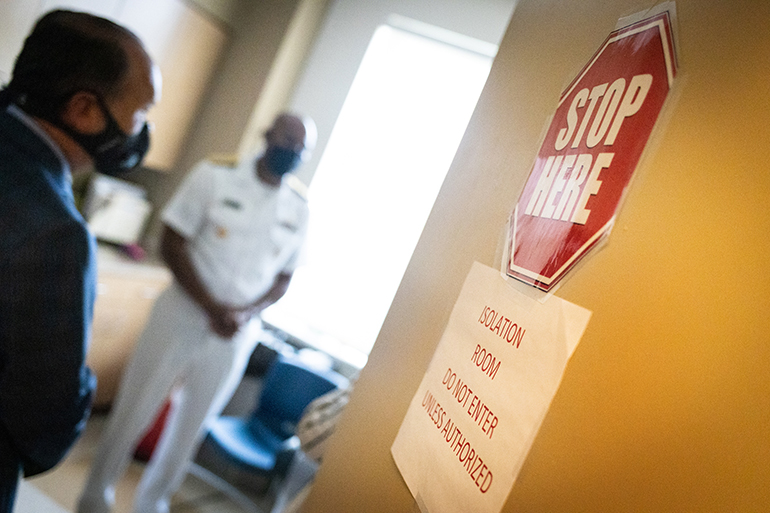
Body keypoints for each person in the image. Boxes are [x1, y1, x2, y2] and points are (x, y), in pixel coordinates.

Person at [77, 113, 316, 513]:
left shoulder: (299, 207)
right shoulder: (215, 176)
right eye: (286, 139)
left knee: (193, 426)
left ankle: (153, 502)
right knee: (135, 409)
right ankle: (94, 495)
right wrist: (210, 305)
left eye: (300, 146)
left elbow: (283, 278)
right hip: (182, 313)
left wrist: (244, 313)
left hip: (235, 332)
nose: (291, 150)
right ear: (266, 135)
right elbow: (172, 242)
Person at [0, 10, 160, 513]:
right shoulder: (55, 233)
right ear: (85, 109)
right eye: (140, 111)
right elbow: (46, 409)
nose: (140, 130)